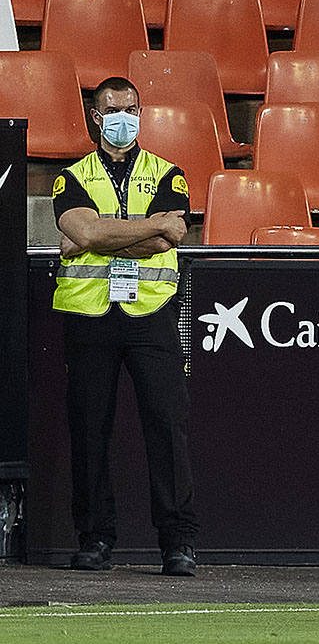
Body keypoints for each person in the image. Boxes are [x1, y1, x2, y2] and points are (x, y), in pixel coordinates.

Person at [52, 76, 199, 576]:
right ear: (96, 116)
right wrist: (143, 227)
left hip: (152, 313)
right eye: (114, 109)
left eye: (132, 108)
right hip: (88, 315)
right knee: (90, 430)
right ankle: (95, 538)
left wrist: (96, 238)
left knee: (167, 425)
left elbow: (170, 235)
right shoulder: (69, 177)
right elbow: (85, 227)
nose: (124, 117)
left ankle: (177, 543)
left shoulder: (169, 174)